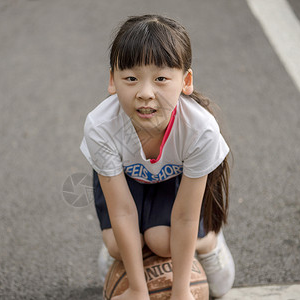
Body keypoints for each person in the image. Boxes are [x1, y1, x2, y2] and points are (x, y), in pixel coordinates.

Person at [80, 14, 235, 299]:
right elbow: (122, 210)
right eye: (131, 79)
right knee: (119, 245)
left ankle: (209, 241)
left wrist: (180, 291)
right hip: (128, 180)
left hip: (174, 180)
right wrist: (138, 290)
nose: (145, 93)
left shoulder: (200, 129)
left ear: (185, 81)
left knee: (163, 242)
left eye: (161, 79)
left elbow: (186, 217)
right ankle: (119, 252)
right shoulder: (101, 126)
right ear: (112, 81)